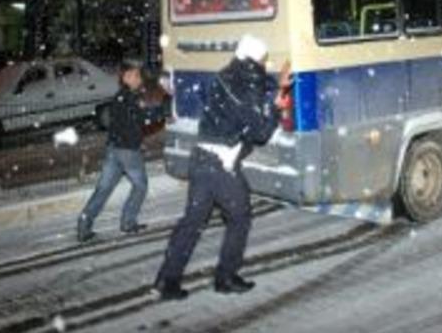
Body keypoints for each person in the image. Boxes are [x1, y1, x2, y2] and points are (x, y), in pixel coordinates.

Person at [155, 35, 291, 300]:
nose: (265, 63)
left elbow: (251, 97)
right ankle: (226, 277)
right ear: (255, 58)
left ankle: (167, 280)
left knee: (192, 222)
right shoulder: (247, 84)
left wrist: (277, 88)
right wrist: (276, 108)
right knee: (239, 217)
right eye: (263, 58)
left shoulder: (226, 76)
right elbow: (259, 132)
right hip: (221, 163)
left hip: (202, 157)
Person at [77, 60, 164, 243]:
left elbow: (131, 121)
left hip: (114, 149)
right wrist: (160, 111)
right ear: (125, 78)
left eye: (138, 75)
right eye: (134, 75)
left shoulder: (121, 96)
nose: (138, 78)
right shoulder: (129, 98)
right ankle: (128, 222)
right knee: (140, 186)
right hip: (127, 151)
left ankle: (84, 224)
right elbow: (143, 119)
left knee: (104, 188)